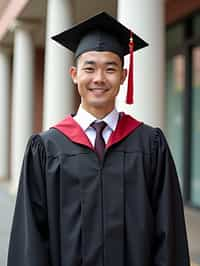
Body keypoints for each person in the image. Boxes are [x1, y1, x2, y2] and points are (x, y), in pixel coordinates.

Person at [7, 12, 190, 266]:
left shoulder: (150, 145)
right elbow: (31, 239)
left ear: (124, 76)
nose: (99, 79)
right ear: (74, 74)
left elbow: (169, 233)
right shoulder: (46, 148)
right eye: (89, 68)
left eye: (110, 69)